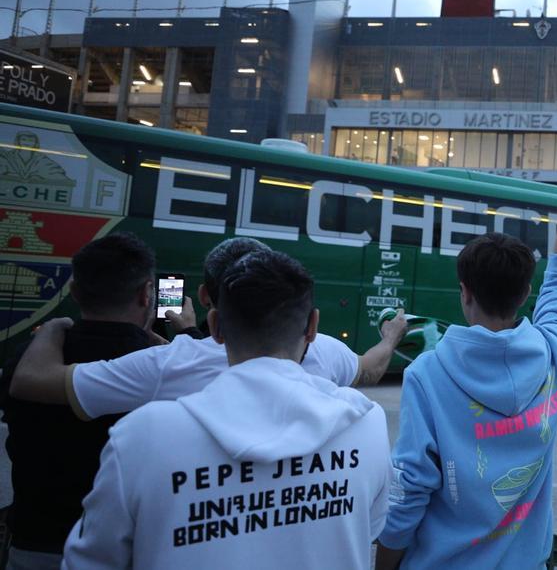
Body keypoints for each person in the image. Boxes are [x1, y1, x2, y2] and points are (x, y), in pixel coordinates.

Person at [61, 250, 392, 569]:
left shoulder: (140, 437)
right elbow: (370, 528)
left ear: (215, 326)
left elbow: (90, 560)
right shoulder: (367, 426)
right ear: (312, 327)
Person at [374, 178, 557, 568]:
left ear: (465, 292)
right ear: (525, 294)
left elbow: (409, 490)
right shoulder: (552, 353)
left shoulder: (428, 373)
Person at [10, 237, 408, 421]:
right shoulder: (331, 360)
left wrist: (57, 327)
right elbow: (370, 368)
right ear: (310, 325)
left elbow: (30, 382)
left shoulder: (167, 363)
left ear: (210, 311)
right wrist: (390, 337)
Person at [0, 233, 157, 570]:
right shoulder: (160, 367)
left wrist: (56, 328)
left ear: (73, 291)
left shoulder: (28, 361)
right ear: (146, 294)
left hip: (34, 543)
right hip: (129, 551)